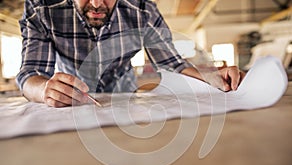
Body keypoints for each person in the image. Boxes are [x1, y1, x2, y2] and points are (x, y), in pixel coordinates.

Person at [17, 0, 244, 108]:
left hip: (123, 88)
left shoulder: (143, 11)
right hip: (69, 90)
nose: (96, 4)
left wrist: (213, 77)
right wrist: (45, 89)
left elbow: (173, 65)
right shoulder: (41, 9)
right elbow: (31, 75)